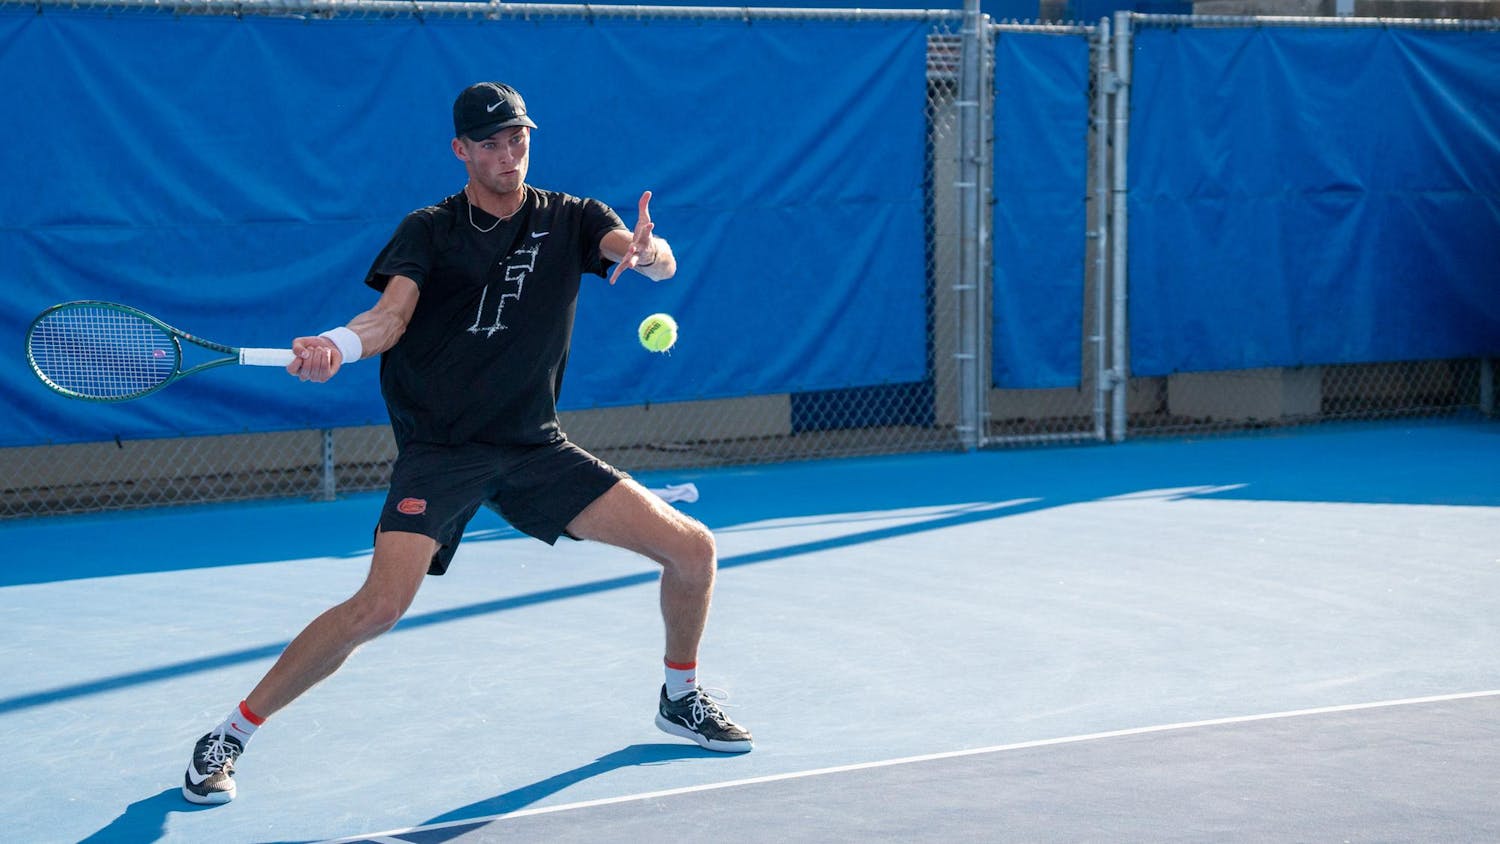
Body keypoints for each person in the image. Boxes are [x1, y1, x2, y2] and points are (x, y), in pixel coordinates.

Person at [182, 81, 752, 806]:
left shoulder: (572, 218)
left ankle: (680, 697)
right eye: (490, 142)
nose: (508, 153)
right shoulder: (429, 230)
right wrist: (334, 344)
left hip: (533, 444)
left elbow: (645, 254)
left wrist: (648, 255)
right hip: (443, 449)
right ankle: (228, 735)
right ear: (461, 151)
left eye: (517, 137)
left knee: (693, 549)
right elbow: (388, 320)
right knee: (379, 607)